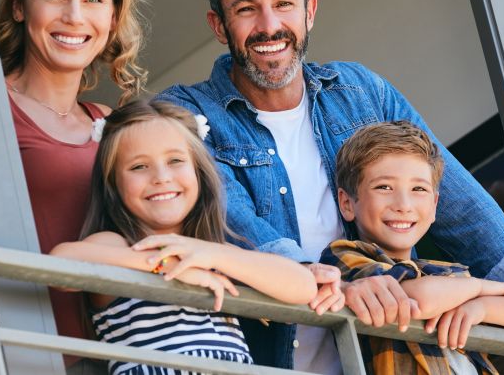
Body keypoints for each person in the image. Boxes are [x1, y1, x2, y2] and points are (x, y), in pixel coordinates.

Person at [158, 0, 504, 370]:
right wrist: (322, 282)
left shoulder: (361, 91)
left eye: (284, 4)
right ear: (219, 25)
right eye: (246, 9)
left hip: (388, 357)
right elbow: (231, 218)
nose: (270, 25)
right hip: (274, 360)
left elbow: (459, 203)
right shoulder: (186, 112)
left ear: (310, 11)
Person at [50, 99, 317, 374]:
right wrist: (166, 266)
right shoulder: (122, 247)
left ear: (199, 173)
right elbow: (62, 261)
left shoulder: (212, 255)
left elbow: (303, 285)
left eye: (175, 161)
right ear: (113, 184)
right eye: (139, 166)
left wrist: (213, 254)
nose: (161, 177)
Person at [0, 0, 146, 371]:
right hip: (13, 351)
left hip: (116, 357)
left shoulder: (113, 125)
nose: (75, 16)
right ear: (21, 6)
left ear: (114, 17)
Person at [320, 121, 504, 374]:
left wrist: (480, 307)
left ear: (435, 205)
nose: (403, 204)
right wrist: (481, 287)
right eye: (384, 187)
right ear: (347, 203)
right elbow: (417, 299)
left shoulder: (450, 274)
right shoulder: (344, 256)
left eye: (418, 189)